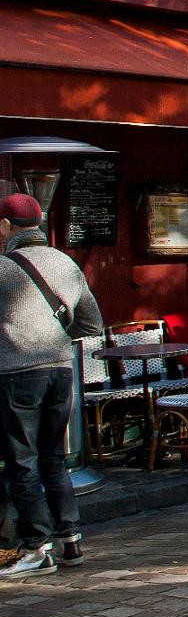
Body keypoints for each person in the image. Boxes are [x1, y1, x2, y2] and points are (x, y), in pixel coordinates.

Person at [0, 192, 102, 577]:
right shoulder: (65, 262)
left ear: (6, 225)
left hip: (16, 373)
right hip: (61, 370)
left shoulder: (2, 268)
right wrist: (52, 336)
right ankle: (70, 540)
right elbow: (92, 324)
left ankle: (37, 548)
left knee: (22, 463)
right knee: (54, 459)